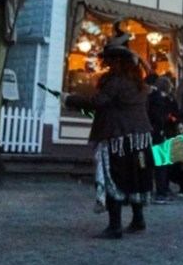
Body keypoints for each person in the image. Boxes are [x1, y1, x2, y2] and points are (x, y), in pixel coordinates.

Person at [64, 32, 154, 238]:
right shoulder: (138, 83)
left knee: (114, 177)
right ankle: (138, 219)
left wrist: (71, 99)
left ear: (118, 61)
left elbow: (98, 103)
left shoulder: (115, 81)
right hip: (140, 138)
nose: (107, 64)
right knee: (135, 178)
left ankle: (115, 226)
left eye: (110, 60)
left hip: (117, 137)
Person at [146, 74, 178, 203]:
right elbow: (160, 117)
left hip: (154, 133)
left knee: (154, 164)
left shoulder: (152, 97)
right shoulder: (160, 99)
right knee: (161, 164)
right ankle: (161, 191)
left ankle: (156, 190)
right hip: (160, 133)